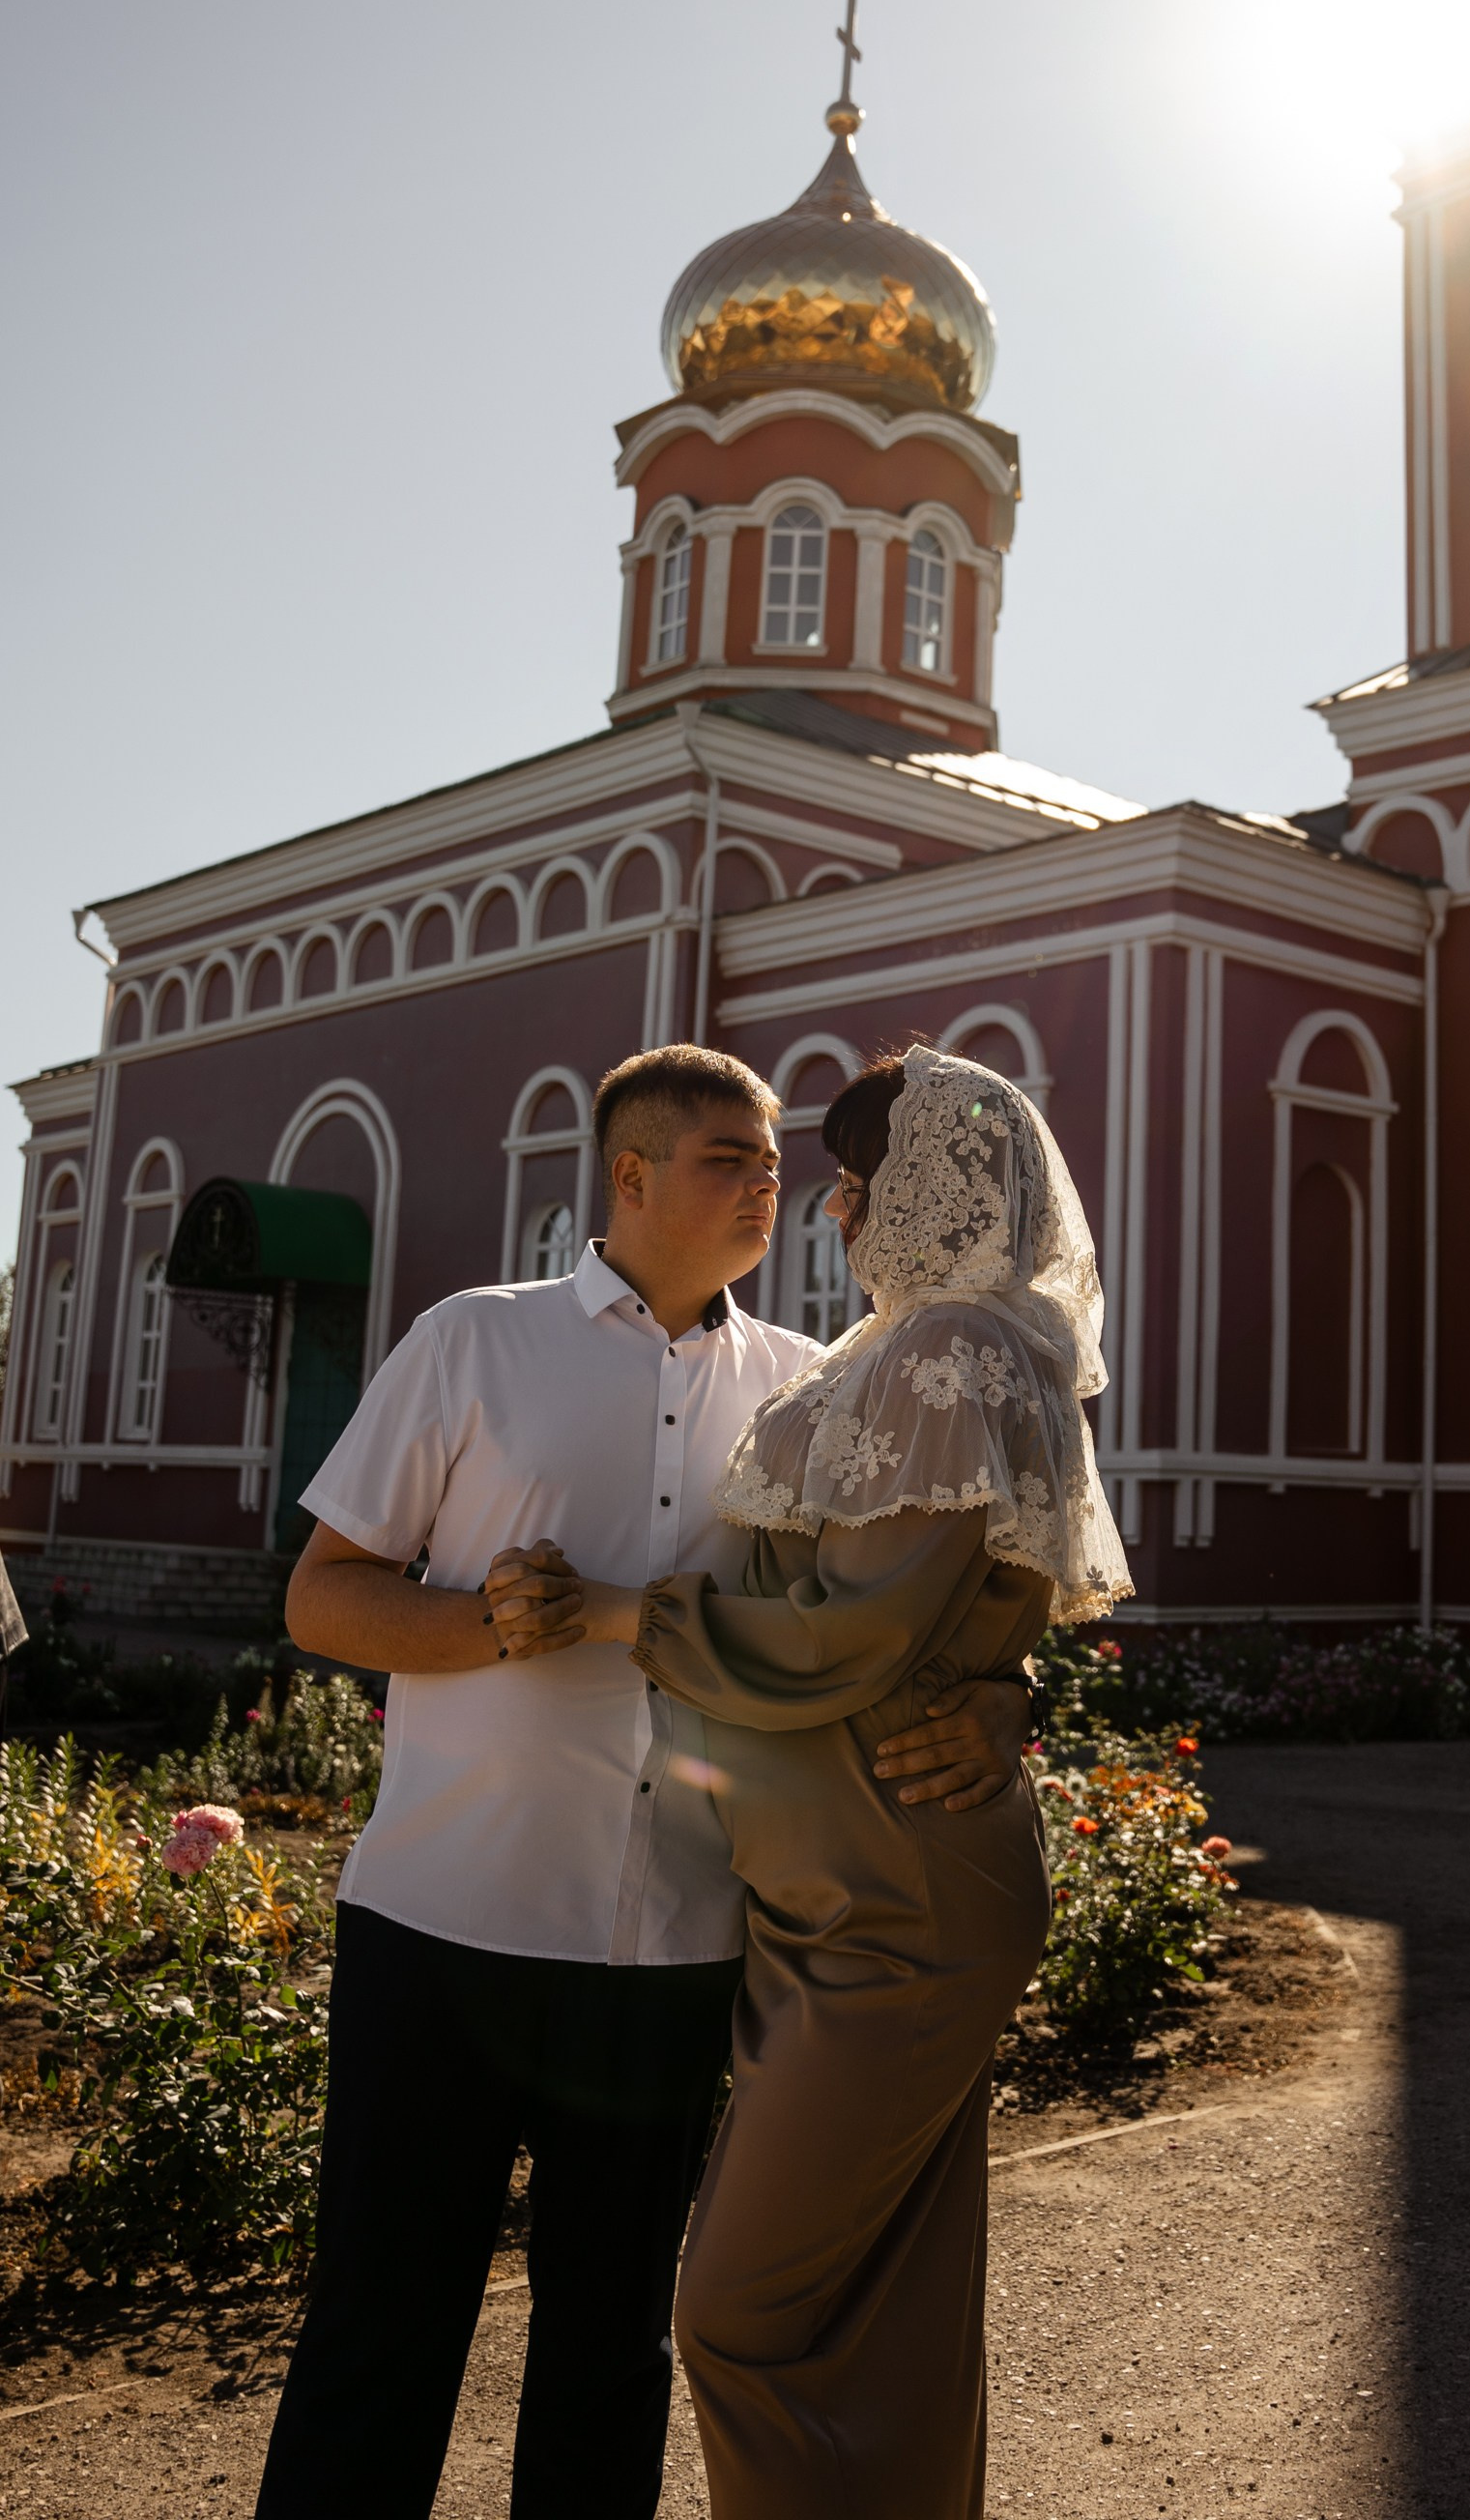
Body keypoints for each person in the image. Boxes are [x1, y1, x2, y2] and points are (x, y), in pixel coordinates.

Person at [253, 1043, 1031, 2520]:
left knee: (610, 2355)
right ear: (630, 1175)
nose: (772, 1181)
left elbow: (914, 1600)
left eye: (774, 1158)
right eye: (730, 1157)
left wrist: (1005, 1696)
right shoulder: (472, 1343)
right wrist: (481, 1620)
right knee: (380, 2335)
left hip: (676, 1943)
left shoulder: (811, 1386)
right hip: (444, 1924)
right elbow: (321, 1598)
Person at [502, 1042, 1132, 2520]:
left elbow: (854, 1637)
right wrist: (999, 1687)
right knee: (883, 2320)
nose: (832, 1217)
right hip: (840, 1895)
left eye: (863, 1183)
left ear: (939, 1188)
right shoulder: (911, 1349)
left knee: (740, 2314)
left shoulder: (948, 1351)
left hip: (892, 1911)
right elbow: (952, 1610)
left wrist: (610, 1611)